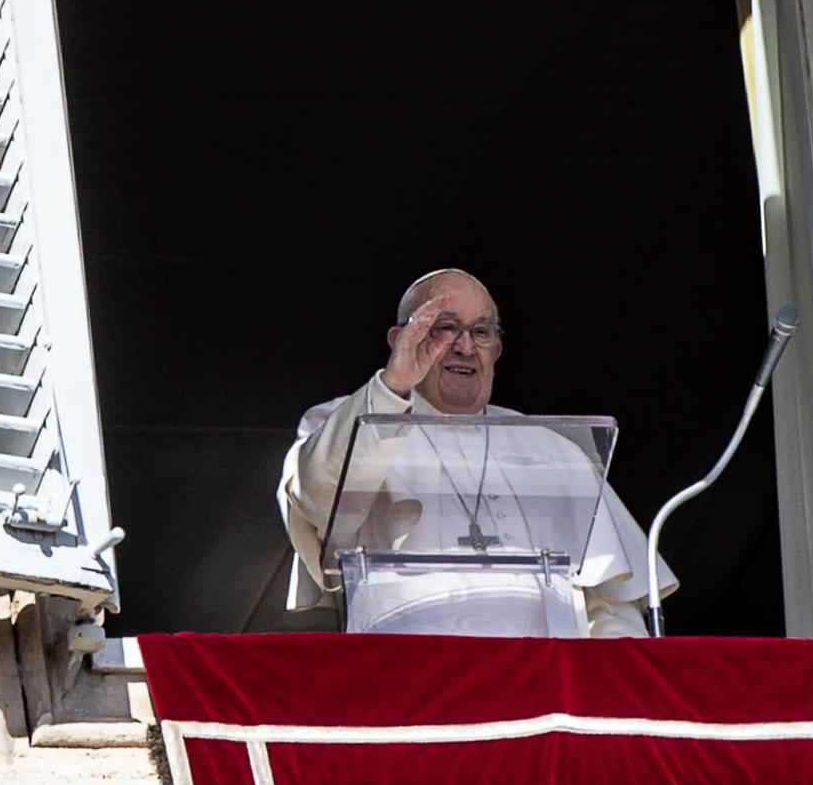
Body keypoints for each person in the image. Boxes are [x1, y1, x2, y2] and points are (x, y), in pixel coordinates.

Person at [278, 268, 675, 637]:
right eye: (444, 329)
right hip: (407, 673)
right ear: (400, 340)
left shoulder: (552, 448)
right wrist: (393, 384)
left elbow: (609, 603)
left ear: (496, 350)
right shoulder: (349, 419)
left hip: (543, 691)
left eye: (480, 332)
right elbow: (318, 495)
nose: (465, 347)